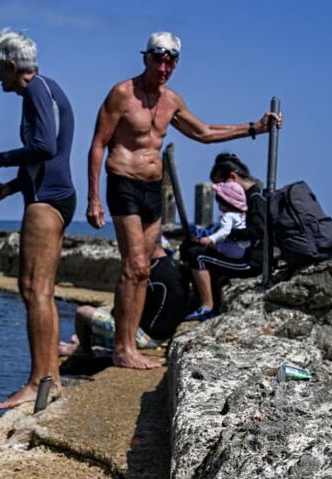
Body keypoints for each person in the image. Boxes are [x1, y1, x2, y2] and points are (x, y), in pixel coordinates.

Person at [86, 31, 282, 369]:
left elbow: (204, 132)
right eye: (158, 60)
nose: (163, 68)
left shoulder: (171, 101)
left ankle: (129, 344)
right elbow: (98, 144)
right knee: (133, 264)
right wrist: (93, 198)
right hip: (123, 184)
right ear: (145, 57)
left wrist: (255, 127)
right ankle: (122, 348)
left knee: (144, 269)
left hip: (153, 189)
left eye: (170, 62)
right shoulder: (122, 94)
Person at [0, 27, 76, 409]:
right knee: (42, 292)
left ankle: (38, 381)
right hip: (52, 195)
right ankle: (51, 378)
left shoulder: (35, 89)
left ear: (11, 64)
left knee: (33, 289)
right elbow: (43, 158)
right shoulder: (48, 88)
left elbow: (44, 146)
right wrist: (7, 188)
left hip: (47, 201)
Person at [60, 245, 193, 357]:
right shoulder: (174, 267)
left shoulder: (146, 273)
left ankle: (84, 351)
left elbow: (120, 312)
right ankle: (83, 342)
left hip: (145, 338)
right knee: (84, 331)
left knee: (82, 312)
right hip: (163, 336)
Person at [180, 153, 262, 320]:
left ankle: (208, 307)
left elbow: (257, 232)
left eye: (221, 184)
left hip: (249, 260)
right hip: (239, 252)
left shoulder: (255, 198)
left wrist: (224, 237)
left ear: (232, 177)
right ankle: (197, 298)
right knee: (189, 246)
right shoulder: (247, 197)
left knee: (198, 255)